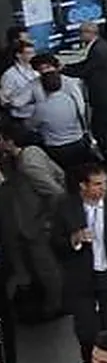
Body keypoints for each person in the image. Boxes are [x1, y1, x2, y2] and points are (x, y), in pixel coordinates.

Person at [54, 165, 107, 363]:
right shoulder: (66, 208)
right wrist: (74, 239)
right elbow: (55, 242)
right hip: (81, 278)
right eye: (97, 184)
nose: (103, 188)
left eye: (105, 183)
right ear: (83, 186)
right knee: (85, 331)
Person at [0, 119, 65, 319]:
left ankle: (55, 305)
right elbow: (59, 174)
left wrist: (46, 219)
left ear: (9, 141)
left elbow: (56, 193)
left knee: (46, 267)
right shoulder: (32, 152)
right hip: (30, 221)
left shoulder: (27, 165)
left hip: (33, 224)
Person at [63, 21, 107, 168]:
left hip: (103, 95)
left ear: (90, 33)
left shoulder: (98, 50)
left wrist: (63, 69)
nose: (80, 36)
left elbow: (85, 70)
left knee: (101, 129)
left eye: (82, 32)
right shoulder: (100, 45)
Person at [28, 64, 93, 172]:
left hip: (57, 148)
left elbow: (31, 125)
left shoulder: (42, 107)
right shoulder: (70, 99)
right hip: (77, 142)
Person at [0, 36, 38, 123]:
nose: (33, 56)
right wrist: (18, 102)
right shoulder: (9, 75)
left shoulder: (36, 69)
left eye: (33, 53)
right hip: (22, 116)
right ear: (18, 55)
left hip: (38, 113)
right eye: (29, 53)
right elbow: (3, 100)